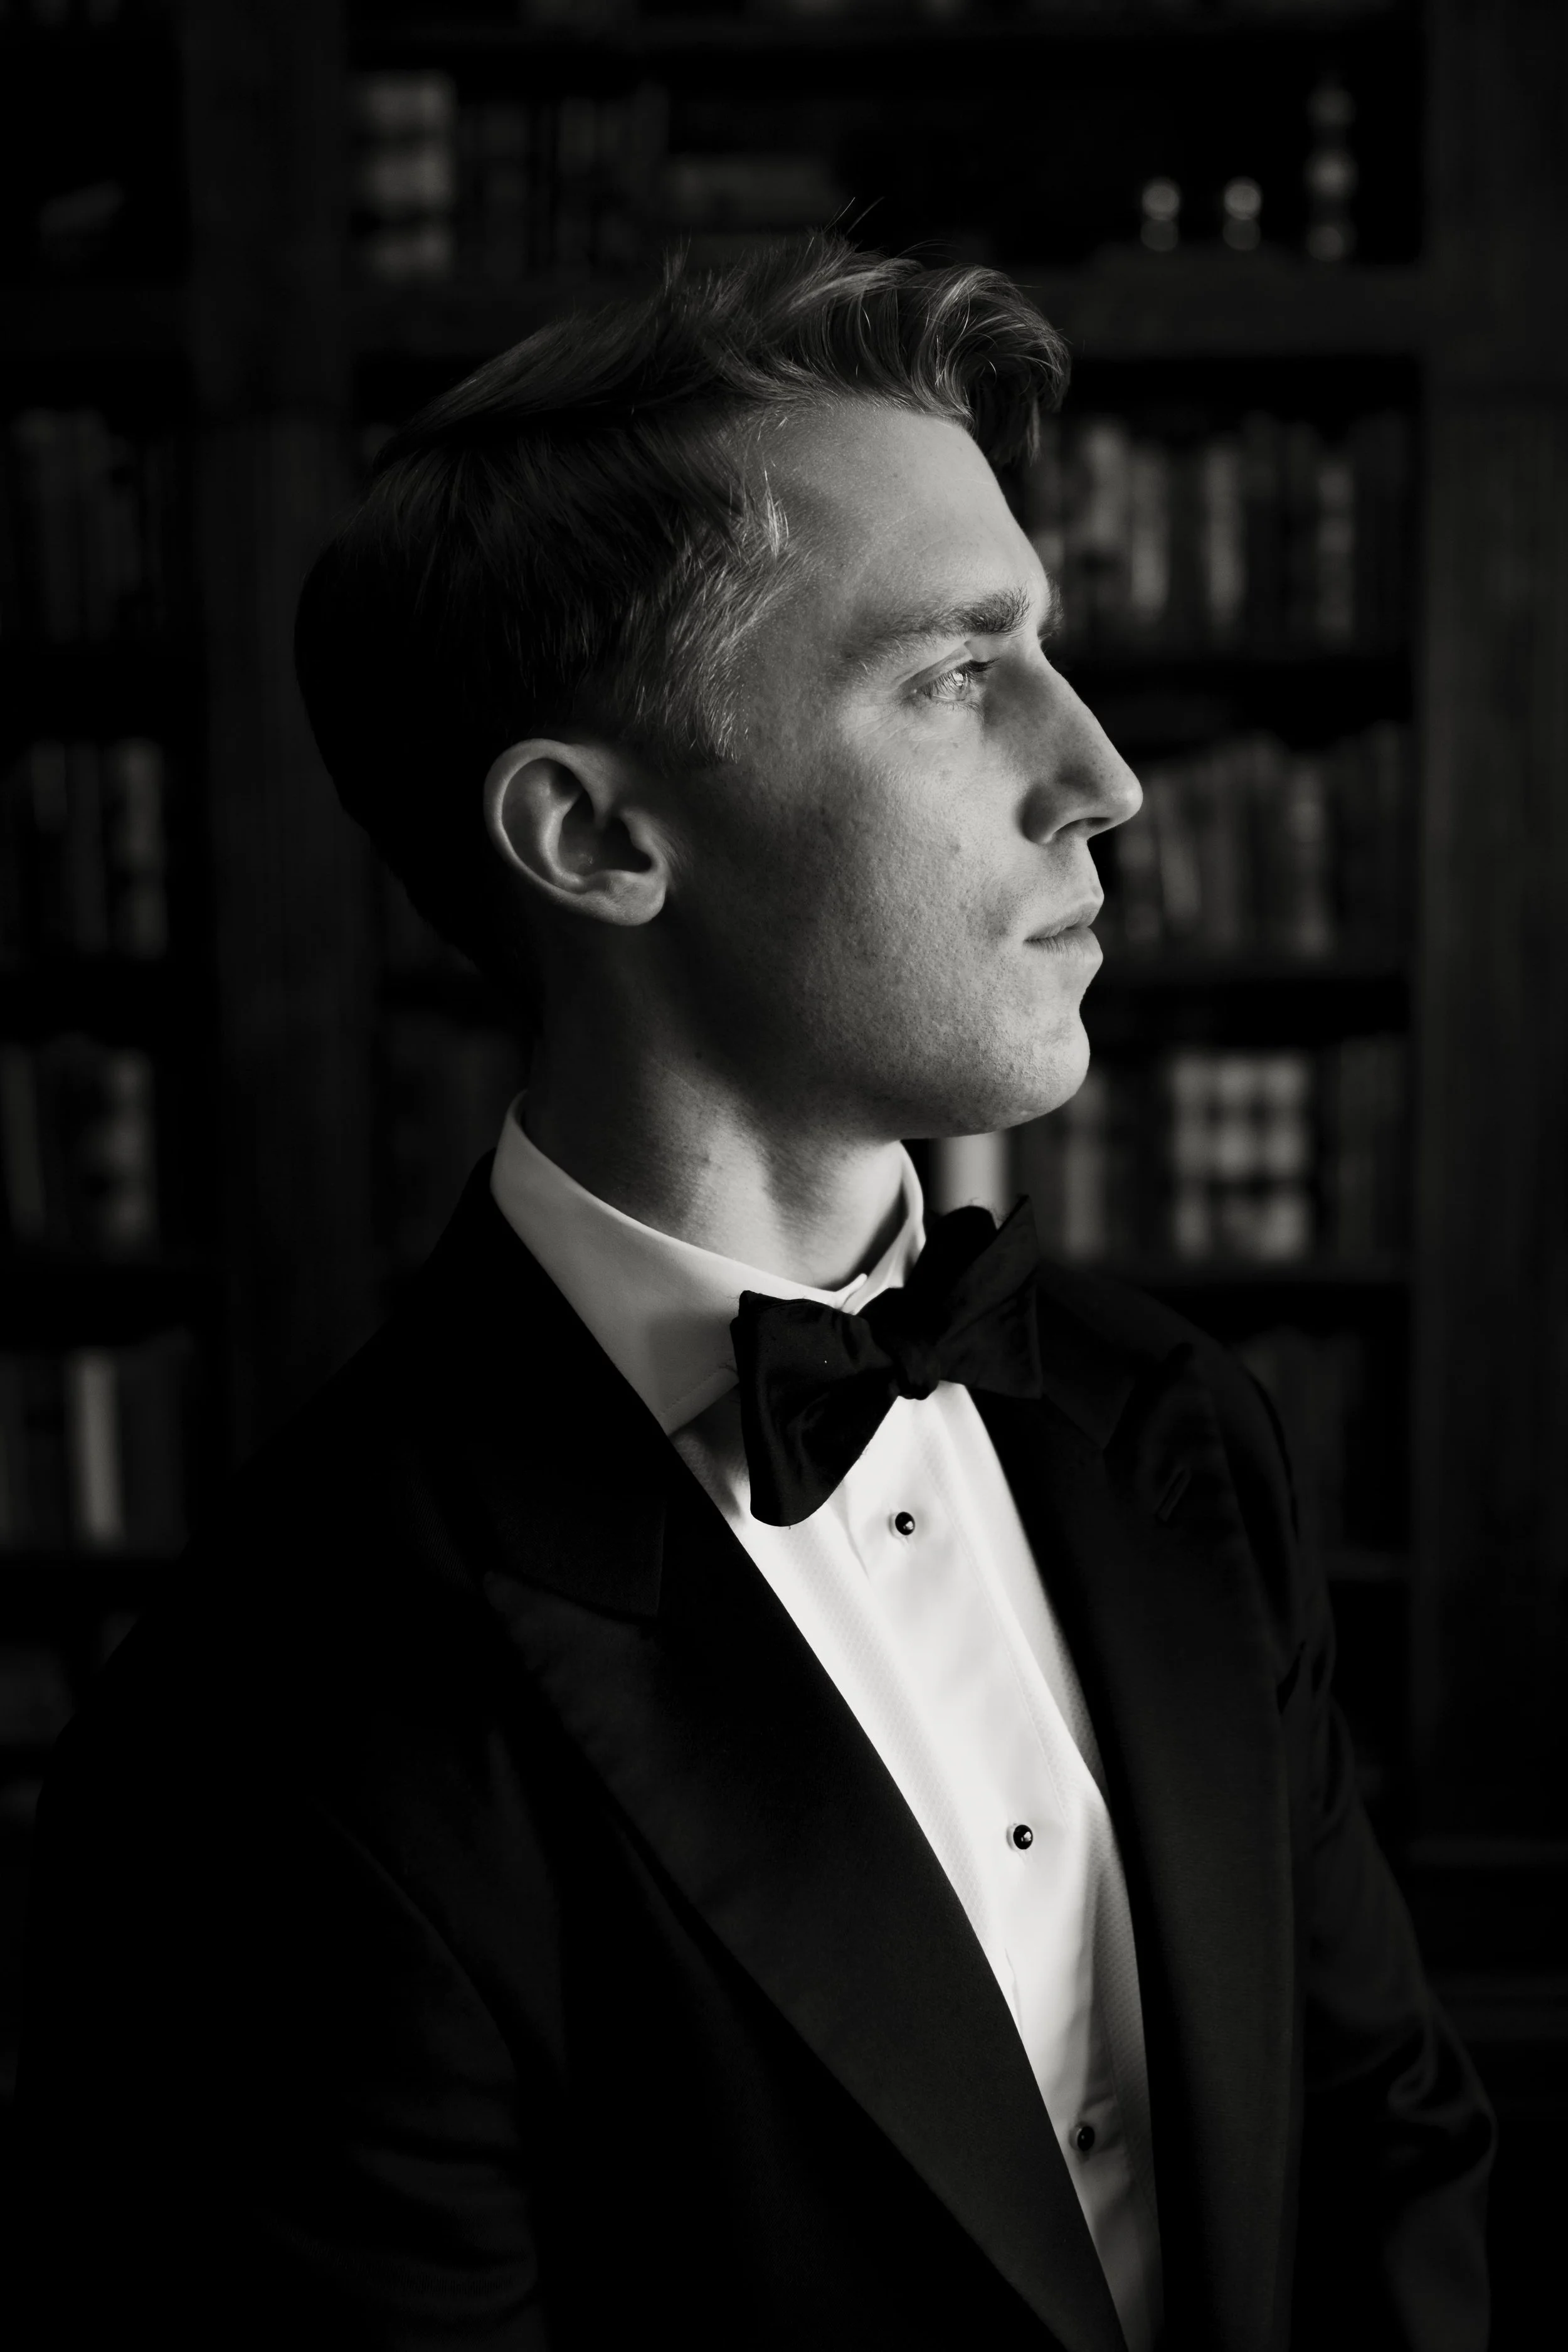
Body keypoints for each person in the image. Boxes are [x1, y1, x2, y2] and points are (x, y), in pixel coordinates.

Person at [18, 236, 1492, 2350]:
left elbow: (1388, 2151)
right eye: (954, 671)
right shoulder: (274, 1729)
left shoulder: (1174, 1424)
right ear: (596, 839)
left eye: (1043, 648)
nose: (1104, 778)